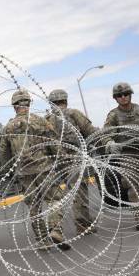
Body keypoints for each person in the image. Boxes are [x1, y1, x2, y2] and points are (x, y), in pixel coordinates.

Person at [0, 89, 70, 251]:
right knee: (55, 198)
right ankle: (55, 230)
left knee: (34, 206)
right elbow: (54, 145)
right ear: (29, 104)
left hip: (24, 172)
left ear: (14, 106)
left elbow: (4, 155)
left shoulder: (8, 128)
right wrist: (63, 162)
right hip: (44, 168)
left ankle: (43, 241)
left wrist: (10, 172)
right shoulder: (41, 122)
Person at [103, 82, 139, 230]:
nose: (123, 97)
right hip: (127, 154)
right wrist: (110, 143)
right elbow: (106, 133)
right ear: (115, 98)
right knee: (133, 187)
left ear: (130, 94)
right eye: (119, 95)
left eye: (126, 94)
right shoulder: (113, 115)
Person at [45, 89, 98, 235]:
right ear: (65, 101)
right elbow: (91, 131)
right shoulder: (73, 113)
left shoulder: (47, 120)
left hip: (56, 162)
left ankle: (55, 227)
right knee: (79, 192)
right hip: (74, 158)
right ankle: (83, 224)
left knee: (56, 196)